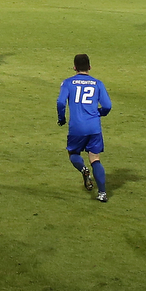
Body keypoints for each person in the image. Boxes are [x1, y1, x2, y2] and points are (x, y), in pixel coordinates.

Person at [56, 54, 112, 202]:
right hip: (94, 127)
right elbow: (107, 106)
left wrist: (61, 118)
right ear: (90, 67)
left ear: (74, 67)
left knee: (73, 153)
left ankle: (83, 170)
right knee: (95, 158)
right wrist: (99, 113)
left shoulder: (68, 83)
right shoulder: (98, 83)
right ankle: (102, 193)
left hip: (77, 128)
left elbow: (61, 103)